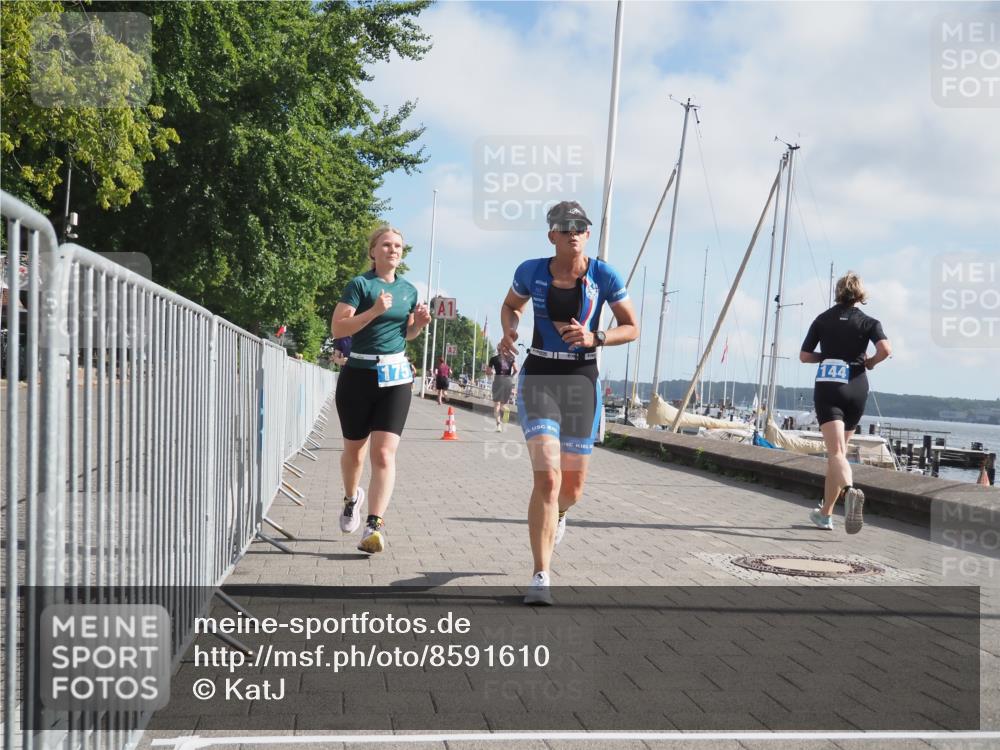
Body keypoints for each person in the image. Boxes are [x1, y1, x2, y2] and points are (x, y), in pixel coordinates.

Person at [499, 201, 639, 604]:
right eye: (565, 226)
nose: (574, 231)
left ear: (588, 234)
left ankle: (560, 514)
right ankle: (541, 574)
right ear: (552, 235)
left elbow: (631, 326)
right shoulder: (530, 270)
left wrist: (598, 338)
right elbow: (511, 305)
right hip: (540, 375)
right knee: (547, 478)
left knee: (572, 488)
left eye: (580, 226)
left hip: (581, 380)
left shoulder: (603, 274)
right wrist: (510, 330)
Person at [331, 226, 431, 553]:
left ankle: (374, 526)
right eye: (386, 245)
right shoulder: (360, 285)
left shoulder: (408, 290)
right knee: (354, 452)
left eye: (398, 246)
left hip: (395, 376)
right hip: (358, 373)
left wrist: (419, 324)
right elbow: (338, 327)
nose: (393, 250)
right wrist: (373, 311)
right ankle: (351, 498)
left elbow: (408, 334)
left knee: (384, 454)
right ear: (373, 251)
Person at [799, 271, 891, 534]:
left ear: (839, 292)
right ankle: (825, 514)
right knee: (837, 455)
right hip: (858, 387)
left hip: (830, 388)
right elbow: (886, 350)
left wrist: (827, 356)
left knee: (836, 453)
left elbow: (804, 356)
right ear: (860, 293)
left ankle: (850, 491)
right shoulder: (869, 322)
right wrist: (870, 362)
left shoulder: (822, 319)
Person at [486, 344, 518, 431]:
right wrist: (511, 376)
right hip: (508, 382)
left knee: (497, 404)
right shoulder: (511, 358)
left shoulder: (494, 359)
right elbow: (516, 370)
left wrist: (491, 373)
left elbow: (488, 372)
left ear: (497, 349)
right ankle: (506, 409)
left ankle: (498, 425)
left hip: (498, 381)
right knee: (503, 404)